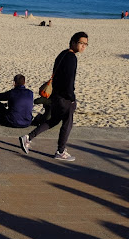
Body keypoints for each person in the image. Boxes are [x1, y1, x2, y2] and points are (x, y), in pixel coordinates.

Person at [19, 32, 89, 162]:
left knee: (53, 120)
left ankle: (28, 137)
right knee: (67, 124)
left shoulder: (63, 54)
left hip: (56, 95)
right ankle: (60, 151)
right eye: (81, 43)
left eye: (86, 44)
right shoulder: (72, 58)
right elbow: (69, 80)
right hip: (64, 97)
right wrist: (71, 97)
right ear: (73, 42)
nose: (84, 46)